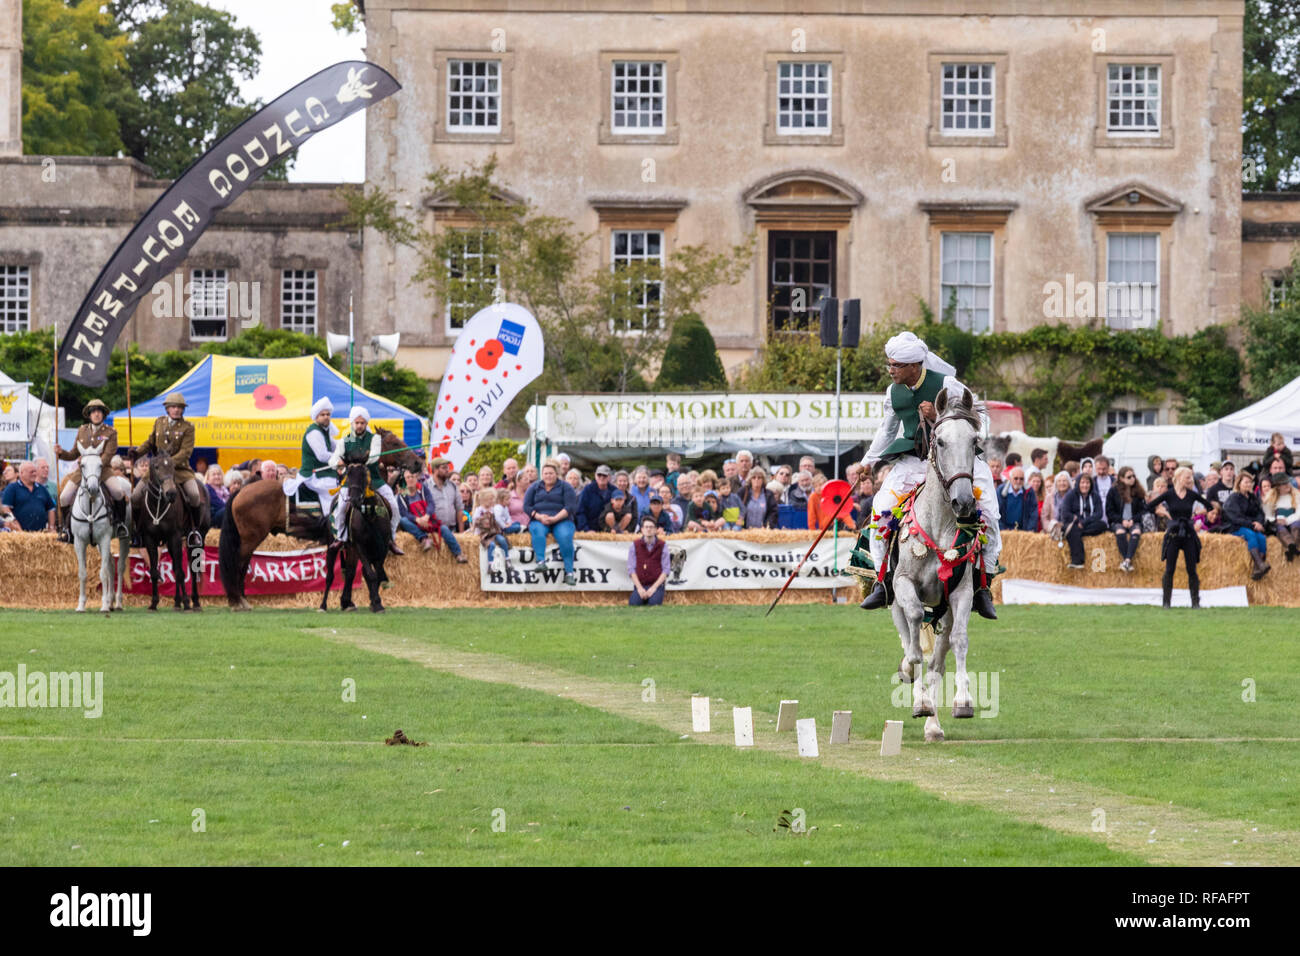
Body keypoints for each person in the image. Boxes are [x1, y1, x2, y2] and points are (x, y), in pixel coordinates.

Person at [857, 331, 1001, 618]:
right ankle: (883, 580)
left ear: (915, 366)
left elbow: (978, 420)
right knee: (880, 509)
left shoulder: (947, 385)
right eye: (889, 364)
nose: (891, 370)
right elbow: (887, 430)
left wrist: (938, 416)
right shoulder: (893, 392)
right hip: (913, 460)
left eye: (896, 365)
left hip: (955, 458)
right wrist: (868, 461)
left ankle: (983, 585)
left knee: (989, 511)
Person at [328, 406, 405, 555]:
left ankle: (391, 540)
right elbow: (333, 459)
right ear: (352, 423)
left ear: (366, 423)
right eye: (356, 423)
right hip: (352, 481)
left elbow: (374, 457)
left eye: (362, 423)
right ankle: (341, 538)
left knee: (395, 509)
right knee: (341, 508)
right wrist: (337, 463)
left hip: (374, 480)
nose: (359, 426)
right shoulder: (345, 441)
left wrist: (358, 461)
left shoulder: (374, 439)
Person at [131, 392, 204, 545]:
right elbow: (150, 442)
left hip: (179, 469)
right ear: (167, 409)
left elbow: (186, 452)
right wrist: (137, 452)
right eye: (173, 407)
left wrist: (167, 463)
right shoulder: (159, 422)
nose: (176, 410)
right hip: (157, 471)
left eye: (179, 407)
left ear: (183, 410)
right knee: (136, 496)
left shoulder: (188, 427)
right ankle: (137, 530)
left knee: (195, 495)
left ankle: (194, 530)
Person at [54, 398, 130, 538]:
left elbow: (109, 454)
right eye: (93, 412)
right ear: (89, 415)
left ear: (103, 415)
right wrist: (61, 453)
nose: (96, 414)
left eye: (99, 412)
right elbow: (73, 453)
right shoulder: (82, 430)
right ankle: (66, 528)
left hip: (104, 470)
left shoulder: (111, 432)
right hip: (82, 471)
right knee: (64, 497)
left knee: (118, 491)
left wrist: (94, 466)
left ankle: (120, 524)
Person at [1148, 467, 1211, 607]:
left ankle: (1195, 602)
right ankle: (1166, 602)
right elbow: (1149, 506)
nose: (1190, 480)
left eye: (1190, 477)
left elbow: (1210, 507)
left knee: (1191, 569)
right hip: (1173, 533)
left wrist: (1197, 513)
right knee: (1170, 569)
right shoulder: (1169, 494)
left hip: (1188, 533)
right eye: (1187, 477)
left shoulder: (1192, 495)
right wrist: (1163, 512)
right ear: (1179, 477)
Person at [525, 460, 579, 585]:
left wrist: (554, 519)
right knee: (537, 531)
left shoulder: (566, 487)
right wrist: (538, 516)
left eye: (551, 473)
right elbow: (527, 506)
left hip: (561, 519)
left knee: (565, 536)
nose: (548, 476)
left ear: (557, 474)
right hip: (540, 519)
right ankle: (541, 562)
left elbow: (570, 507)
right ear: (542, 475)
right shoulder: (534, 487)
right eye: (545, 473)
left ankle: (569, 573)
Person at [1222, 472, 1271, 579]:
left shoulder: (1253, 497)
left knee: (1261, 538)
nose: (1249, 484)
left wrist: (1259, 523)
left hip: (1252, 525)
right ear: (1239, 483)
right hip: (1236, 526)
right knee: (1250, 535)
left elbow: (1260, 513)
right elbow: (1235, 517)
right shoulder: (1233, 498)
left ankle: (1257, 568)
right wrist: (1252, 524)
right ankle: (1260, 564)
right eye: (1246, 482)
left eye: (1250, 482)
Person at [298, 397, 340, 519]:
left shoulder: (324, 431)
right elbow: (322, 456)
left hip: (324, 472)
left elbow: (335, 446)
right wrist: (339, 459)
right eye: (323, 414)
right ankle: (331, 522)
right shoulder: (314, 432)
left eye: (328, 414)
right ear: (316, 416)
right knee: (333, 490)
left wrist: (351, 445)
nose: (326, 417)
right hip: (313, 475)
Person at [424, 456, 468, 563]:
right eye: (444, 468)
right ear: (434, 470)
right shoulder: (425, 486)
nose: (447, 470)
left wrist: (461, 533)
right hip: (433, 530)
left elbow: (459, 509)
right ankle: (458, 554)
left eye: (447, 467)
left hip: (452, 529)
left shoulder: (452, 486)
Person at [1059, 472, 1107, 570]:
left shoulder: (1095, 496)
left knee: (1102, 525)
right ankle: (1078, 561)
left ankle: (1078, 532)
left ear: (1091, 484)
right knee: (1072, 529)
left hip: (1088, 524)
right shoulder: (1071, 495)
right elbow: (1065, 513)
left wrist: (1084, 522)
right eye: (1082, 483)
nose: (1085, 485)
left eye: (1087, 483)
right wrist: (1078, 521)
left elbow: (1099, 513)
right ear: (1078, 483)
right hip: (1073, 523)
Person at [1105, 465, 1146, 572]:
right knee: (1120, 532)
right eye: (1129, 477)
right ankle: (1127, 561)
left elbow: (1142, 511)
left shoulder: (1138, 492)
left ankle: (1127, 561)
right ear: (1121, 478)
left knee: (1136, 531)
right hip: (1118, 521)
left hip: (1134, 520)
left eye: (1133, 476)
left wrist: (1133, 520)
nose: (1132, 479)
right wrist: (1121, 521)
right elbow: (1109, 511)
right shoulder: (1113, 492)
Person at [1, 461, 56, 533]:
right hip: (19, 535)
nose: (34, 474)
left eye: (35, 471)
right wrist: (16, 525)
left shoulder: (42, 488)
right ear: (21, 473)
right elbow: (5, 508)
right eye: (31, 472)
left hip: (40, 535)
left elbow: (51, 508)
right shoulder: (12, 488)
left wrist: (51, 527)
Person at [628, 515, 669, 606]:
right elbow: (631, 569)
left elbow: (666, 570)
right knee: (634, 604)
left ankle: (655, 595)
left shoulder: (662, 545)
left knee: (653, 603)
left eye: (651, 527)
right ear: (642, 529)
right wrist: (639, 588)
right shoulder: (635, 545)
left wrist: (653, 588)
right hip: (640, 585)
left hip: (657, 586)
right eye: (646, 527)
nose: (649, 529)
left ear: (655, 530)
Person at [1259, 469, 1300, 561]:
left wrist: (1288, 520)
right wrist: (1276, 520)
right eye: (1284, 483)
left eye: (1287, 482)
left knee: (1296, 526)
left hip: (1293, 521)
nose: (1287, 485)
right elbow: (1268, 515)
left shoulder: (1296, 495)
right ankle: (1290, 546)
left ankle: (1294, 548)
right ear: (1277, 487)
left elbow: (1299, 513)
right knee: (1280, 528)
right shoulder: (1270, 498)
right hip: (1279, 523)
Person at [396, 468, 437, 552]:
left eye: (412, 477)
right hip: (414, 522)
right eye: (407, 477)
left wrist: (427, 516)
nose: (410, 479)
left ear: (416, 479)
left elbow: (431, 503)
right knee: (403, 520)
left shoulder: (423, 489)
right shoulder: (402, 495)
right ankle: (424, 538)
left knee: (442, 526)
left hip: (426, 519)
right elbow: (403, 513)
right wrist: (416, 519)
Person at [472, 487, 513, 572]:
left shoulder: (493, 509)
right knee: (492, 545)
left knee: (502, 540)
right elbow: (475, 522)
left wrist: (505, 523)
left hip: (494, 532)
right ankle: (491, 564)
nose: (492, 501)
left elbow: (500, 518)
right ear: (484, 499)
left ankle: (507, 559)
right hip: (485, 534)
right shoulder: (479, 510)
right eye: (490, 499)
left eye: (493, 499)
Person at [996, 466, 1038, 532]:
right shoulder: (1001, 491)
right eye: (1016, 478)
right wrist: (1002, 529)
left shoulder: (1029, 491)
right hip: (1004, 530)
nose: (1018, 481)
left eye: (1021, 479)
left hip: (1023, 530)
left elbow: (1033, 512)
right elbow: (996, 511)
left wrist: (1029, 530)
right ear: (1010, 479)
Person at [576, 464, 613, 531]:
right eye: (599, 475)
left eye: (604, 475)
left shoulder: (614, 491)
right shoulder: (587, 490)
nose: (602, 477)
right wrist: (586, 529)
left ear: (609, 477)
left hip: (608, 530)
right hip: (590, 528)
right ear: (595, 476)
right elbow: (580, 511)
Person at [1040, 471, 1072, 539]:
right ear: (1056, 483)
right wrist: (1051, 527)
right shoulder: (1049, 497)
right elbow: (1044, 517)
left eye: (1064, 481)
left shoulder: (1074, 497)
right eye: (1059, 481)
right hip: (1052, 530)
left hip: (1069, 530)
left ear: (1069, 483)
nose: (1062, 483)